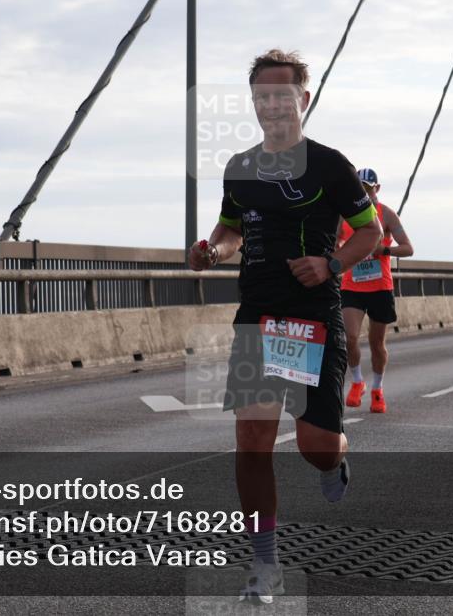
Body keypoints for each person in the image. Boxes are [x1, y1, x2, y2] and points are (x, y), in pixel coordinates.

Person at [187, 49, 382, 604]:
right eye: (261, 96)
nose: (272, 104)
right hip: (257, 315)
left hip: (312, 316)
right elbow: (229, 230)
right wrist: (212, 252)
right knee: (252, 444)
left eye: (282, 94)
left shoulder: (329, 166)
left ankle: (336, 457)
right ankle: (264, 565)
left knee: (315, 447)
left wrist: (332, 264)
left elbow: (368, 234)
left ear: (304, 99)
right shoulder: (240, 168)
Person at [338, 168, 414, 412]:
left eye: (368, 187)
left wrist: (385, 250)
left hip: (380, 286)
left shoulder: (386, 214)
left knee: (376, 343)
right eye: (360, 187)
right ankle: (358, 382)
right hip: (352, 285)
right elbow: (332, 241)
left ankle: (377, 389)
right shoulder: (345, 216)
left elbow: (408, 248)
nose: (364, 191)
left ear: (376, 188)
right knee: (349, 337)